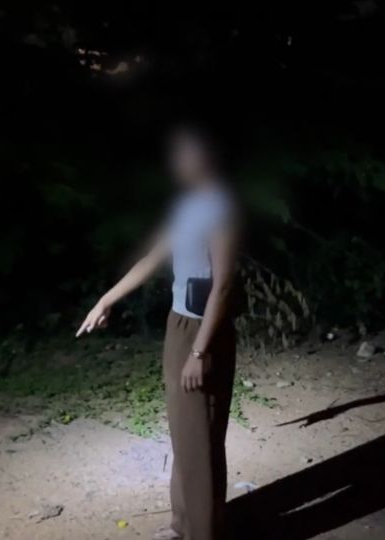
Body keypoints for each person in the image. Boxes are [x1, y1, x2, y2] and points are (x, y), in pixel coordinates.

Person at [76, 126, 238, 540]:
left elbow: (223, 285)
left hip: (203, 330)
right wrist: (106, 301)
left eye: (185, 153)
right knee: (185, 433)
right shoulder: (186, 207)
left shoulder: (221, 208)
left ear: (206, 156)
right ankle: (184, 525)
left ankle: (204, 531)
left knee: (200, 439)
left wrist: (199, 353)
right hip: (178, 323)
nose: (176, 162)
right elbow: (152, 258)